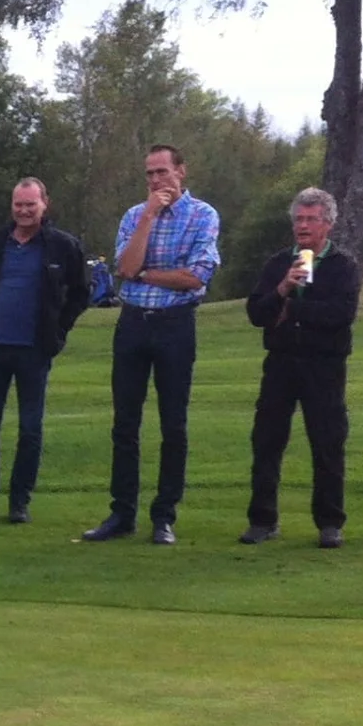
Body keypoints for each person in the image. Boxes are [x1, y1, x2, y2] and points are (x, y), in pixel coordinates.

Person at [82, 145, 221, 545]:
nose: (156, 180)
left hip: (176, 324)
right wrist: (148, 216)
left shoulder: (203, 215)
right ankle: (121, 513)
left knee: (173, 424)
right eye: (150, 174)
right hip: (133, 323)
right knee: (125, 423)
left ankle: (164, 516)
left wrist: (145, 273)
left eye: (163, 171)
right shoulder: (133, 215)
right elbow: (124, 269)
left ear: (181, 171)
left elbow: (196, 276)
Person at [0, 178, 91, 525]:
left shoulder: (63, 246)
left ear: (44, 203)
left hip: (34, 349)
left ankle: (19, 502)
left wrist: (59, 331)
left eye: (31, 204)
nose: (24, 210)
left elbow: (80, 293)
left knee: (30, 428)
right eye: (19, 204)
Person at [241, 187, 363, 547]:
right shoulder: (280, 263)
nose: (303, 226)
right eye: (298, 219)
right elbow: (256, 313)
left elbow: (341, 316)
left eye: (311, 219)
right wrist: (281, 290)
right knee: (267, 440)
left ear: (328, 224)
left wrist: (293, 310)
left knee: (327, 441)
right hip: (280, 363)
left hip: (324, 365)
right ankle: (262, 520)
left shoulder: (343, 266)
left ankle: (329, 522)